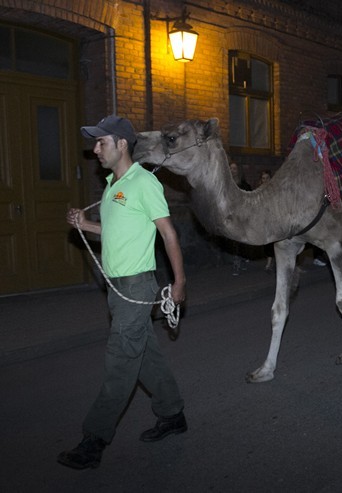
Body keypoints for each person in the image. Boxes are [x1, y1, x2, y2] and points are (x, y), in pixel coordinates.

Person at [59, 115, 188, 469]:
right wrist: (85, 224)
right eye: (94, 142)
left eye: (101, 142)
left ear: (120, 144)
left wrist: (179, 282)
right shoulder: (113, 184)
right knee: (144, 355)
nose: (95, 148)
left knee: (120, 362)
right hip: (117, 288)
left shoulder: (143, 183)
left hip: (137, 284)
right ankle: (173, 413)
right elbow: (117, 230)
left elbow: (168, 233)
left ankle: (94, 440)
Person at [229, 162, 252, 275]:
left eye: (234, 168)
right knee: (235, 241)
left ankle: (241, 261)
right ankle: (236, 265)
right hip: (231, 216)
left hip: (242, 216)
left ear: (238, 170)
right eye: (231, 168)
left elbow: (249, 198)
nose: (232, 170)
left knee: (242, 241)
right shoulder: (227, 184)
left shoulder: (244, 185)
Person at [258, 170, 276, 271]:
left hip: (273, 218)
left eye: (267, 178)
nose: (265, 180)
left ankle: (272, 262)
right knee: (267, 242)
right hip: (264, 218)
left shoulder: (274, 190)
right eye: (263, 178)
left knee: (275, 241)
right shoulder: (259, 190)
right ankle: (269, 261)